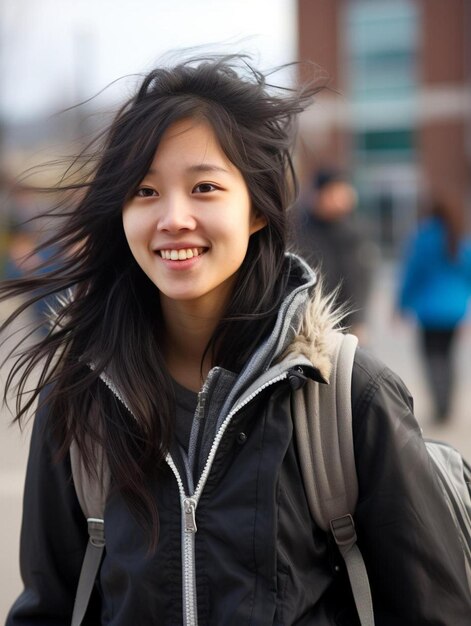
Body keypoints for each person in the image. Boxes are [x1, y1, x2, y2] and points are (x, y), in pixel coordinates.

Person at [2, 55, 470, 625]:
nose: (173, 217)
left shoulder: (349, 398)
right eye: (144, 192)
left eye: (203, 187)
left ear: (257, 209)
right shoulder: (79, 404)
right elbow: (46, 608)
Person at [397, 195, 471, 422]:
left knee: (432, 357)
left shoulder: (423, 238)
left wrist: (402, 304)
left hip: (429, 310)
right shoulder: (460, 239)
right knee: (448, 356)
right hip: (455, 310)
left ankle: (440, 403)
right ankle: (447, 402)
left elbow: (412, 274)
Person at [292, 168, 375, 343]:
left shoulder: (355, 232)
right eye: (334, 192)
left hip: (347, 321)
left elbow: (362, 279)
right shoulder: (299, 230)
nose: (341, 199)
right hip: (309, 322)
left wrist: (359, 320)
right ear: (319, 194)